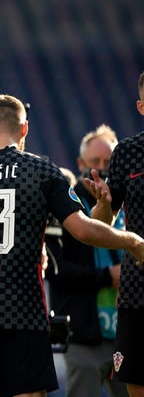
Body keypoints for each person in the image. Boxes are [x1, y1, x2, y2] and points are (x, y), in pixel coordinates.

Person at [0, 94, 144, 397]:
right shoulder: (41, 171)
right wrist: (132, 240)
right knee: (29, 393)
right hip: (21, 309)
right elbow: (83, 229)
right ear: (25, 129)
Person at [48, 125, 128, 397]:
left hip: (126, 334)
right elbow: (57, 270)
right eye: (96, 162)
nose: (102, 168)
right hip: (83, 332)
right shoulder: (66, 206)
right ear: (81, 163)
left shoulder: (132, 203)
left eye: (109, 162)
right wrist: (109, 275)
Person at [84, 71, 144, 397]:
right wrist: (103, 203)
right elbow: (103, 223)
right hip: (137, 290)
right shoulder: (127, 152)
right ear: (140, 106)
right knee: (135, 385)